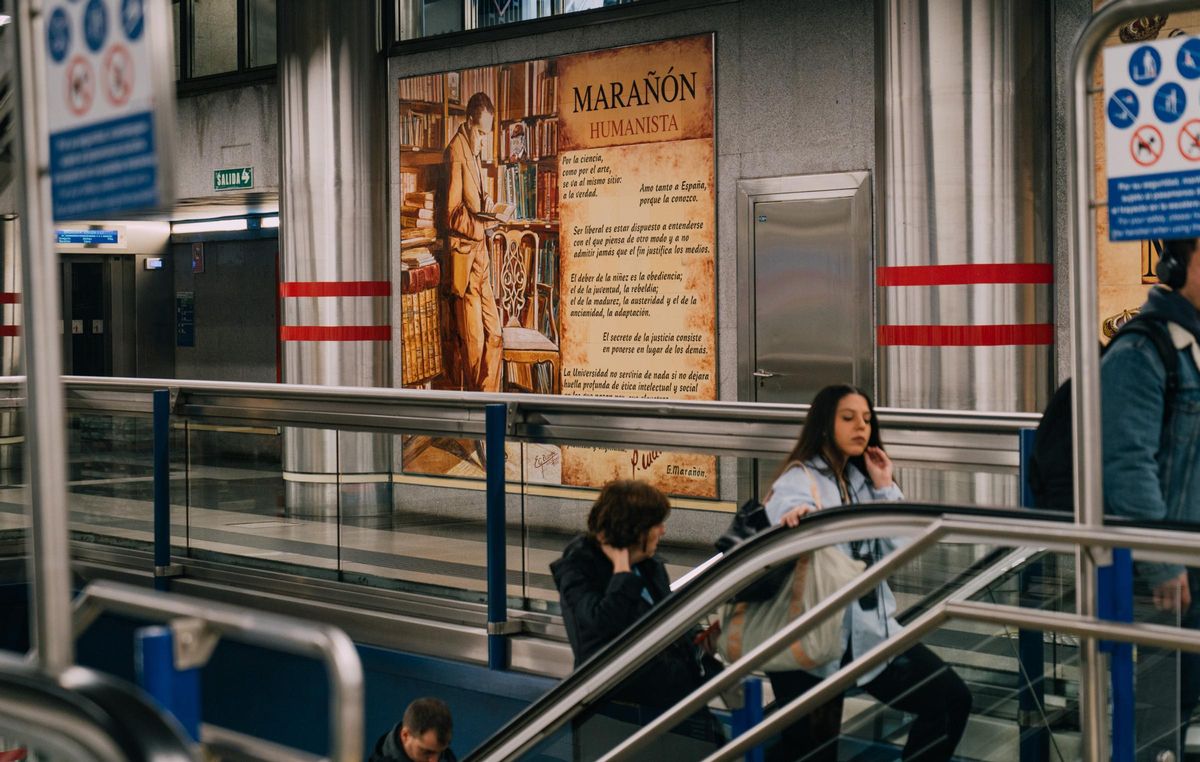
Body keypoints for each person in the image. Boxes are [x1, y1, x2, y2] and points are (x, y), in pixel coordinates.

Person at [762, 384, 971, 762]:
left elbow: (901, 547)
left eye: (867, 419)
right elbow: (786, 513)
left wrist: (885, 485)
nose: (862, 427)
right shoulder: (799, 480)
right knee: (811, 752)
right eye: (848, 418)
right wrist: (794, 522)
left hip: (870, 638)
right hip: (812, 644)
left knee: (950, 698)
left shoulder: (860, 481)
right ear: (824, 424)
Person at [1101, 237, 1200, 762]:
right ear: (1178, 264)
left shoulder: (1193, 348)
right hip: (1173, 569)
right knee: (1165, 708)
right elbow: (1125, 462)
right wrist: (1163, 564)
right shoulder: (1143, 349)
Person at [550, 479, 715, 711]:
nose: (662, 530)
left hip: (673, 696)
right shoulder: (578, 570)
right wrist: (622, 571)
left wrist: (698, 637)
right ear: (633, 528)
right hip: (621, 707)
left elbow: (667, 612)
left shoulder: (649, 565)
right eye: (655, 523)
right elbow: (602, 624)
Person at [440, 91, 502, 392]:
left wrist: (488, 204)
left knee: (496, 335)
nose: (483, 141)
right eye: (480, 133)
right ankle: (482, 423)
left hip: (482, 260)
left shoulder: (474, 152)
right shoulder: (455, 152)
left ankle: (489, 406)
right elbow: (451, 215)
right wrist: (481, 224)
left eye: (486, 135)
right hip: (465, 261)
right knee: (474, 348)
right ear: (468, 123)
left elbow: (474, 198)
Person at [369, 696, 457, 762]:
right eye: (426, 751)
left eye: (440, 751)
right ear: (405, 735)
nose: (434, 760)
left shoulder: (440, 753)